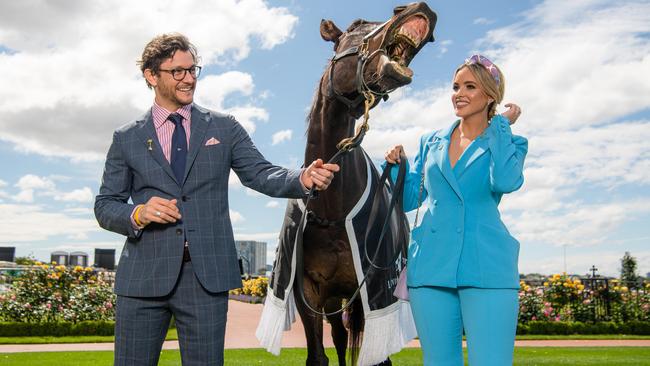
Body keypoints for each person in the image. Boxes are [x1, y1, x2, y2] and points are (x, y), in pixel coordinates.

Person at [94, 33, 339, 366]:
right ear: (151, 76)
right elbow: (105, 205)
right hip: (142, 280)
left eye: (193, 70)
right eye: (177, 71)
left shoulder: (224, 127)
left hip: (205, 278)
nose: (189, 78)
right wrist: (137, 214)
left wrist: (302, 178)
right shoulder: (127, 138)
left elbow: (261, 173)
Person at [384, 54, 527, 365]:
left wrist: (501, 125)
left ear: (490, 95)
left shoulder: (510, 142)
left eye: (470, 86)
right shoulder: (430, 141)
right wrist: (397, 167)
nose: (459, 93)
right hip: (432, 265)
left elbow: (505, 181)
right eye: (456, 86)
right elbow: (410, 200)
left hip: (488, 267)